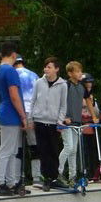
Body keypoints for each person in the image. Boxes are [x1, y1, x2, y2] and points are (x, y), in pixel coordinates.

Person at [26, 56, 68, 190]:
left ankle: (55, 177)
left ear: (56, 69)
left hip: (53, 122)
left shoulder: (62, 85)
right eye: (45, 67)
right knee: (43, 151)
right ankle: (46, 178)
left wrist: (60, 121)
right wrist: (31, 119)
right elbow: (33, 101)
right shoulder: (39, 82)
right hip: (39, 121)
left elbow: (63, 105)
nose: (46, 69)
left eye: (49, 67)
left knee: (53, 150)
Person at [0, 41, 30, 196]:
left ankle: (10, 182)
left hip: (4, 110)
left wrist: (0, 108)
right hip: (11, 114)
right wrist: (23, 116)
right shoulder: (10, 71)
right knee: (7, 150)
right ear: (14, 55)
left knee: (12, 150)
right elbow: (14, 95)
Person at [57, 60, 87, 182]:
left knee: (74, 150)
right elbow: (59, 102)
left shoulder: (81, 87)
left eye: (81, 71)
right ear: (70, 73)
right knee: (68, 147)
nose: (80, 73)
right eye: (77, 71)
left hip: (76, 122)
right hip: (66, 122)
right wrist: (63, 118)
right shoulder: (65, 85)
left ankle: (72, 175)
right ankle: (58, 172)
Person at [13, 55, 41, 186]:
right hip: (32, 111)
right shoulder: (34, 75)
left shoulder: (11, 74)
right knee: (34, 145)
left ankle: (16, 178)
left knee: (17, 146)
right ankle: (36, 177)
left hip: (17, 111)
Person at [80, 73, 101, 181]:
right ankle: (86, 171)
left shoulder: (92, 96)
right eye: (87, 82)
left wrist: (94, 106)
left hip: (92, 125)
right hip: (82, 125)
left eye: (90, 82)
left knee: (94, 149)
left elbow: (97, 112)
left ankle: (96, 171)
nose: (89, 84)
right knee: (84, 150)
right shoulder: (80, 95)